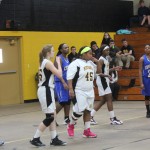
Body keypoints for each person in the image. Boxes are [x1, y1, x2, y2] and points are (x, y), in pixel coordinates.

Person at [30, 44, 67, 147]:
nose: (54, 52)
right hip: (45, 90)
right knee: (50, 117)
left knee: (53, 115)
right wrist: (59, 63)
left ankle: (54, 138)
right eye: (53, 51)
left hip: (47, 90)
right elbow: (59, 74)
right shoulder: (48, 62)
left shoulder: (43, 62)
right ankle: (35, 138)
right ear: (48, 53)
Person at [67, 46, 100, 138]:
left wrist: (97, 62)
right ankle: (71, 124)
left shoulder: (91, 63)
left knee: (88, 111)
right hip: (79, 90)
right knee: (79, 111)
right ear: (84, 54)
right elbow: (69, 78)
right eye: (89, 53)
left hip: (90, 90)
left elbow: (98, 73)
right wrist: (70, 89)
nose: (91, 55)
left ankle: (87, 131)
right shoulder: (75, 63)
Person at [90, 45, 123, 125]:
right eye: (106, 50)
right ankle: (113, 118)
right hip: (102, 81)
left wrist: (114, 69)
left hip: (104, 80)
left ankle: (90, 117)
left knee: (103, 100)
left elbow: (106, 71)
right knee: (109, 98)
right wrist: (107, 76)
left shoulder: (106, 59)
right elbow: (98, 73)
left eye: (108, 50)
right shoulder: (101, 60)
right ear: (102, 51)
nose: (108, 52)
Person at [54, 43, 71, 125]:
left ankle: (66, 118)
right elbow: (57, 72)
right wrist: (63, 82)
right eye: (65, 48)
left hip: (67, 82)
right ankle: (51, 118)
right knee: (62, 102)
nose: (67, 48)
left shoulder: (67, 58)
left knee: (68, 101)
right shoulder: (59, 59)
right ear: (61, 50)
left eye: (67, 47)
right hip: (60, 82)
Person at [139, 44, 150, 118]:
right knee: (147, 96)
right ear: (144, 49)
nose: (147, 49)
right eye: (145, 48)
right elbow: (140, 71)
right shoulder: (142, 58)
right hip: (146, 79)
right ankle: (148, 111)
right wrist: (141, 82)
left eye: (148, 48)